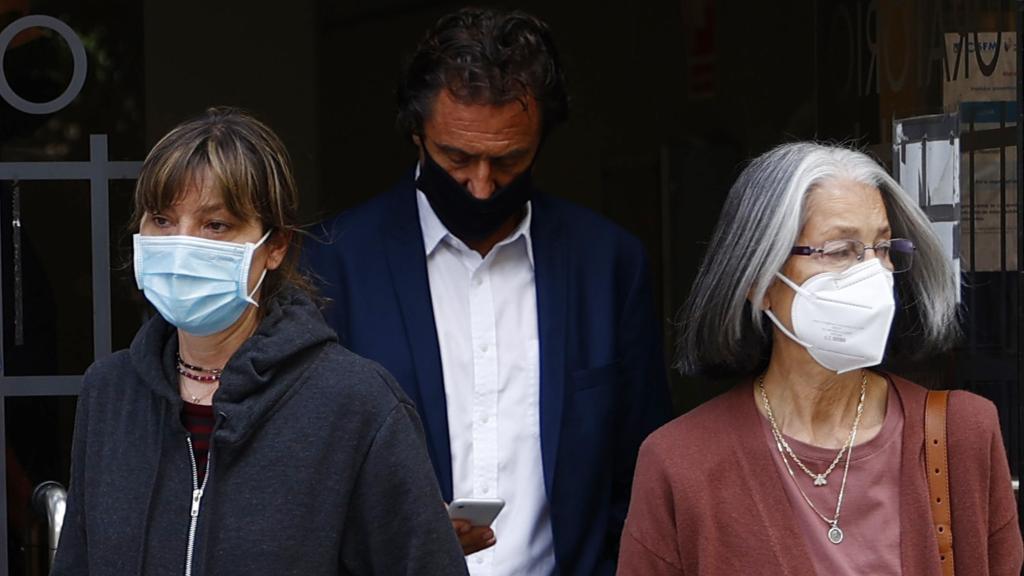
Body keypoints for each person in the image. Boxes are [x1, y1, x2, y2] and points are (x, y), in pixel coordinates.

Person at [302, 7, 670, 575]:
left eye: (509, 160)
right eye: (457, 158)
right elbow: (306, 477)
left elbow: (641, 476)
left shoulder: (609, 265)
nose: (480, 185)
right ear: (416, 135)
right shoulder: (332, 262)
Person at [52, 108, 468, 576]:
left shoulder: (357, 405)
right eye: (163, 220)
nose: (182, 245)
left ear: (275, 246)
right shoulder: (110, 393)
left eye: (216, 225)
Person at [618, 142, 1024, 575]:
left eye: (883, 249)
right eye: (840, 251)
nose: (875, 274)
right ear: (760, 280)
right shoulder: (682, 463)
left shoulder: (962, 435)